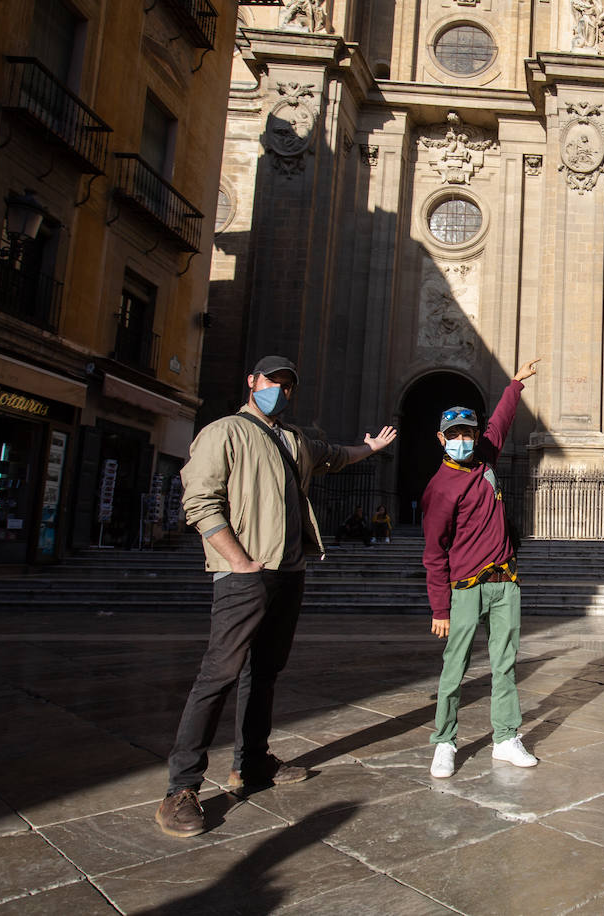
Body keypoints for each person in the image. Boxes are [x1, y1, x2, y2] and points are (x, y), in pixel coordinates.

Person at [155, 356, 398, 838]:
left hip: (288, 571)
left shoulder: (293, 440)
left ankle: (252, 764)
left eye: (288, 386)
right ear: (252, 382)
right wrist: (239, 561)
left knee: (264, 673)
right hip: (243, 574)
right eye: (273, 383)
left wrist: (369, 448)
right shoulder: (223, 432)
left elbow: (334, 455)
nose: (280, 392)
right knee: (218, 675)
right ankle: (180, 790)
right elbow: (199, 501)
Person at [423, 359, 542, 779]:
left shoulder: (485, 458)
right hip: (465, 588)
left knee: (505, 663)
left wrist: (515, 385)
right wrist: (440, 607)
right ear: (442, 438)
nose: (462, 439)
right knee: (454, 666)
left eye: (467, 433)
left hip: (505, 582)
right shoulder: (440, 488)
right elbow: (434, 553)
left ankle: (506, 738)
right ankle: (444, 741)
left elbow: (500, 423)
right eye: (454, 434)